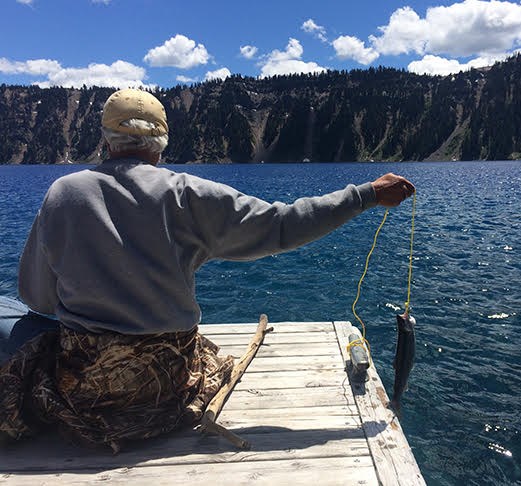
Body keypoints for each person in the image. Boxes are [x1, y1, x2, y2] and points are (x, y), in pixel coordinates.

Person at [0, 88, 415, 452]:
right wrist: (366, 194)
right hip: (166, 383)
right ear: (160, 146)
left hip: (87, 387)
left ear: (106, 141)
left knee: (9, 313)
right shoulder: (189, 195)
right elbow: (282, 224)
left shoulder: (63, 193)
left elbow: (38, 298)